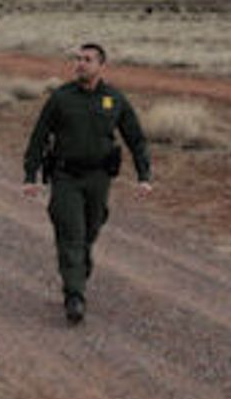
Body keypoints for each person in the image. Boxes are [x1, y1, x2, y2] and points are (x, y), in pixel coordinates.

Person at [21, 42, 152, 324]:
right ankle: (74, 297)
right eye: (77, 59)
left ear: (101, 66)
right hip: (65, 176)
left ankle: (77, 273)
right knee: (71, 234)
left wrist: (144, 176)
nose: (80, 63)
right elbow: (39, 137)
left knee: (89, 233)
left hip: (99, 178)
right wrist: (30, 176)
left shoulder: (114, 99)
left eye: (87, 59)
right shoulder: (61, 98)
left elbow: (135, 138)